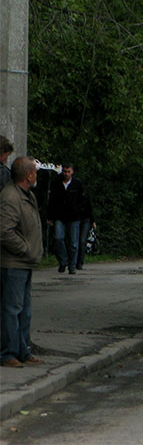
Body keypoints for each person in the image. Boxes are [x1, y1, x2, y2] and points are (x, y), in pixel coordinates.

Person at [1, 156, 45, 367]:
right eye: (35, 171)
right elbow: (5, 232)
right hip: (14, 263)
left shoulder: (28, 196)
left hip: (25, 262)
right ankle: (8, 353)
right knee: (12, 309)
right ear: (28, 175)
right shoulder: (10, 197)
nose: (36, 175)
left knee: (24, 310)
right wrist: (25, 249)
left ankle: (23, 351)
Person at [47, 163, 86, 274]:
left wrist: (79, 211)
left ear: (72, 172)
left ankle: (72, 265)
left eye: (68, 172)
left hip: (74, 217)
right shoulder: (56, 184)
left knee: (74, 243)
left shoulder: (77, 184)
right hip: (59, 216)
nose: (66, 174)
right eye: (65, 171)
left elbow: (83, 200)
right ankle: (63, 260)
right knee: (58, 238)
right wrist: (50, 217)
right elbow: (52, 201)